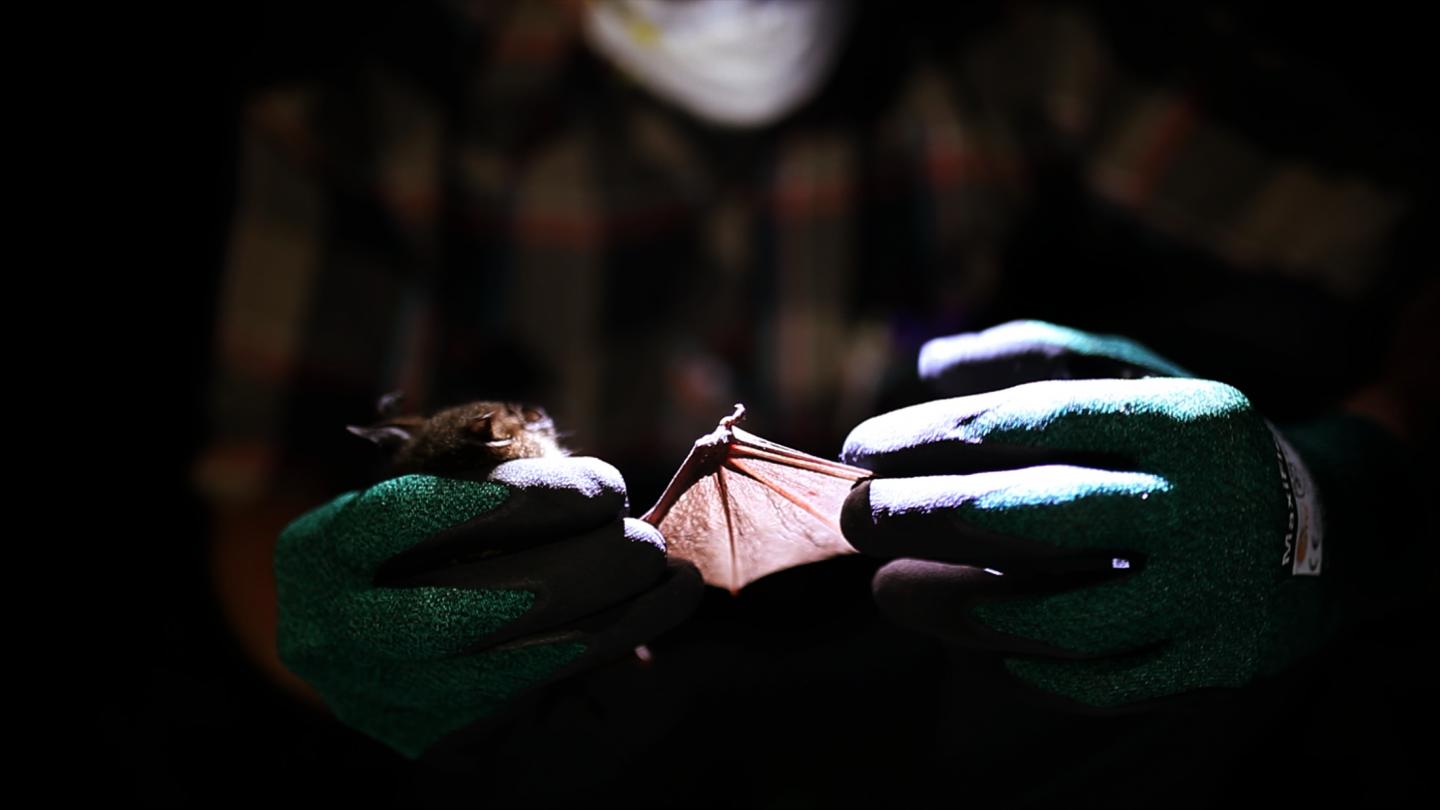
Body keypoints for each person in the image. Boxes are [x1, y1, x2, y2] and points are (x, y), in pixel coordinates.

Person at [175, 1, 1433, 804]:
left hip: (946, 685)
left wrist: (1338, 493)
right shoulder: (368, 102)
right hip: (591, 716)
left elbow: (1408, 248)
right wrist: (335, 631)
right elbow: (260, 486)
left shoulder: (1012, 40)